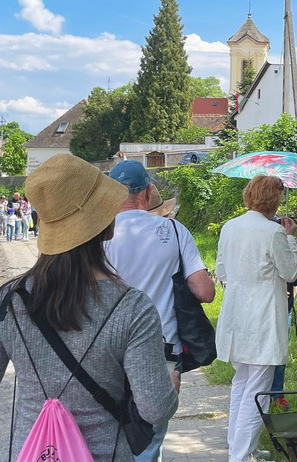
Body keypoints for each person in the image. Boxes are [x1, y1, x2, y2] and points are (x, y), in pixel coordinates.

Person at [0, 153, 179, 462]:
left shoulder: (7, 301)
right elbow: (155, 409)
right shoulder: (132, 308)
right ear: (105, 221)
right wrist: (170, 384)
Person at [105, 160, 215, 462]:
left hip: (107, 350)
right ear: (149, 191)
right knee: (149, 440)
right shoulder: (175, 231)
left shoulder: (100, 233)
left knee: (109, 434)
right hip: (162, 350)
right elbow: (204, 292)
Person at [215, 176, 297, 462]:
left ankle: (239, 447)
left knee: (241, 383)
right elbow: (290, 273)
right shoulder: (273, 233)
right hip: (262, 316)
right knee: (258, 390)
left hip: (236, 313)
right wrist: (290, 239)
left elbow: (222, 271)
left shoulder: (230, 227)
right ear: (274, 199)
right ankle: (239, 456)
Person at [270, 239, 297, 410]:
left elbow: (295, 279)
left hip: (284, 308)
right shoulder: (265, 240)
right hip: (264, 307)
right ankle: (260, 394)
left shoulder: (287, 247)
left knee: (280, 353)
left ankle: (276, 395)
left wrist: (293, 252)